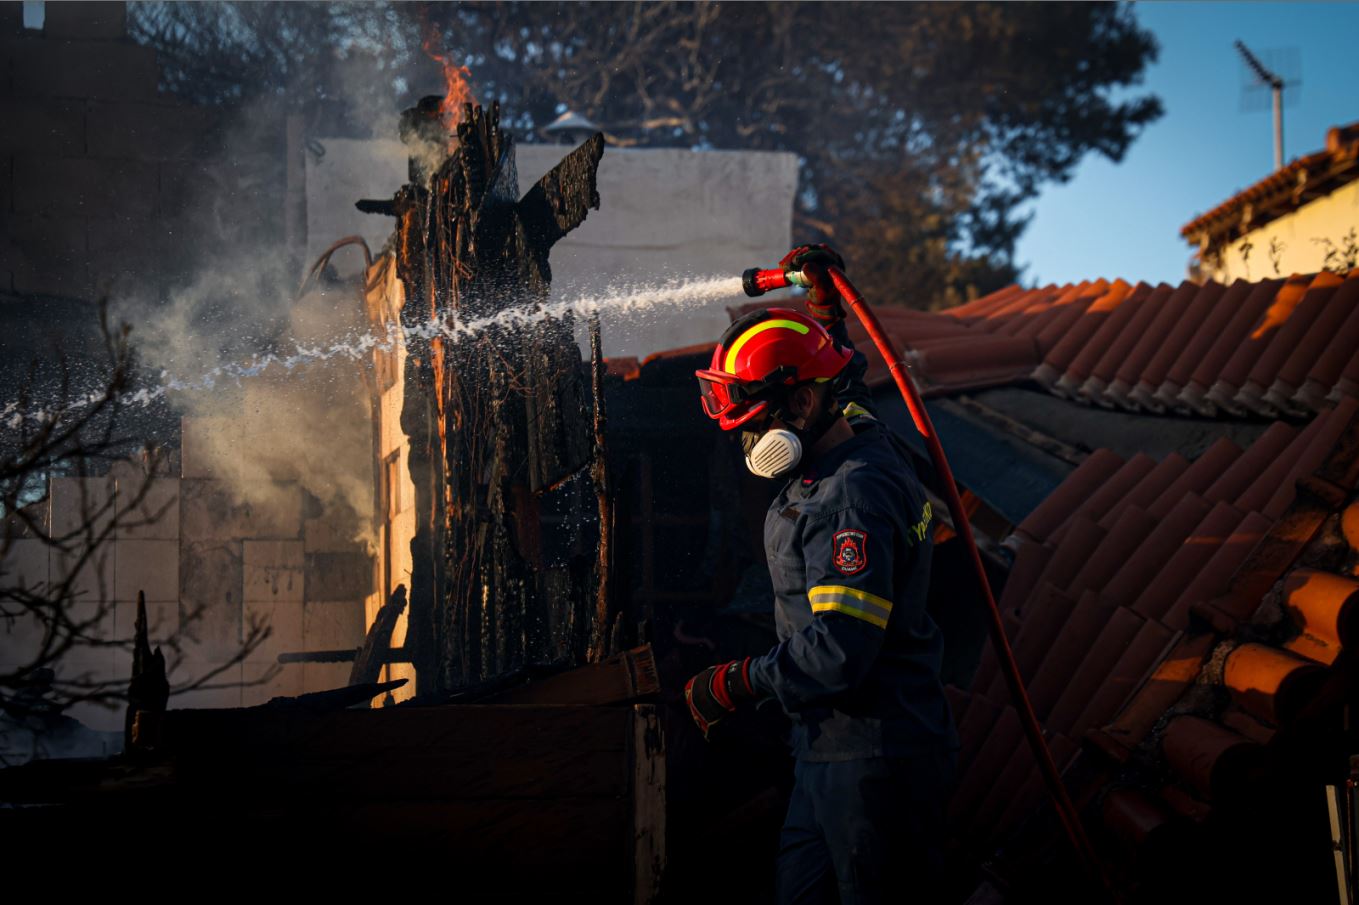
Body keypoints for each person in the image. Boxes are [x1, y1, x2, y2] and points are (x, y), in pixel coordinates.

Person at [687, 245, 959, 904]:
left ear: (804, 402)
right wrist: (820, 305)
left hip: (873, 760)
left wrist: (735, 680)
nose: (752, 446)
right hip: (826, 753)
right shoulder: (847, 428)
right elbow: (844, 382)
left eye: (756, 426)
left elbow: (837, 654)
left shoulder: (851, 496)